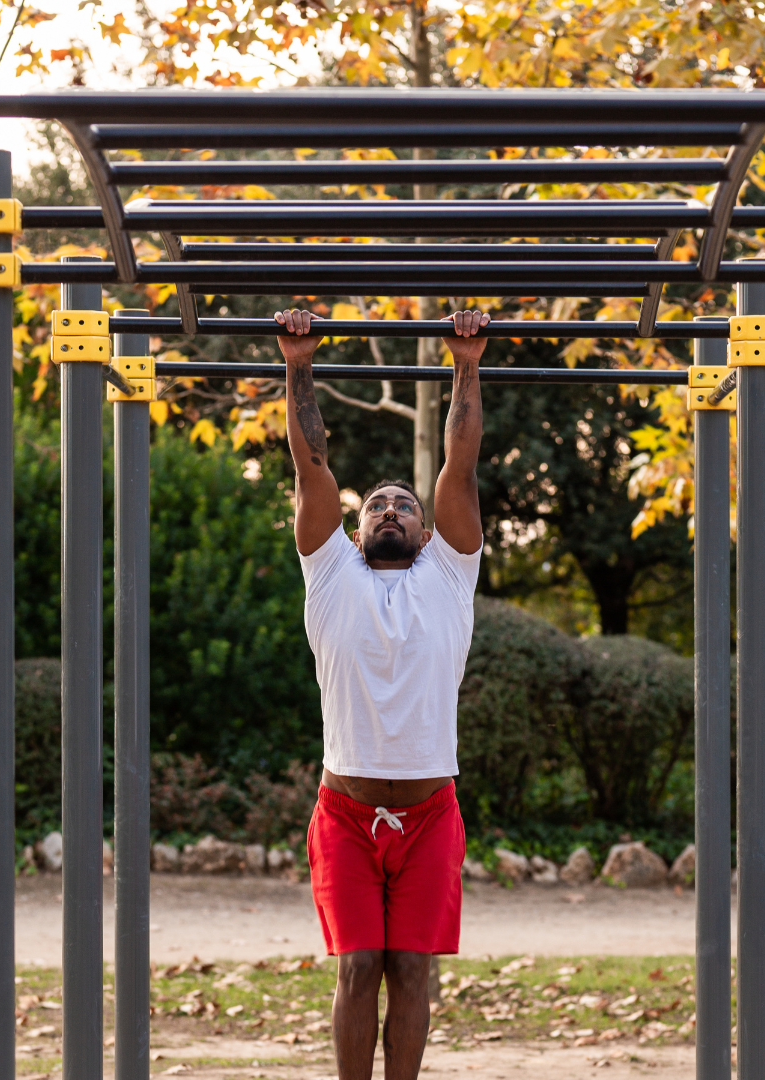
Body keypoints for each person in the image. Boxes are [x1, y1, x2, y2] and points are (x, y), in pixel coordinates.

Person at [274, 305, 491, 1080]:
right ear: (356, 529)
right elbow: (312, 467)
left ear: (430, 532)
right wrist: (299, 365)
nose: (391, 509)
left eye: (405, 503)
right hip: (347, 811)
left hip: (432, 813)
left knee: (411, 970)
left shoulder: (448, 573)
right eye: (377, 505)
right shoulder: (330, 573)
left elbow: (457, 467)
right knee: (358, 965)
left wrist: (465, 363)